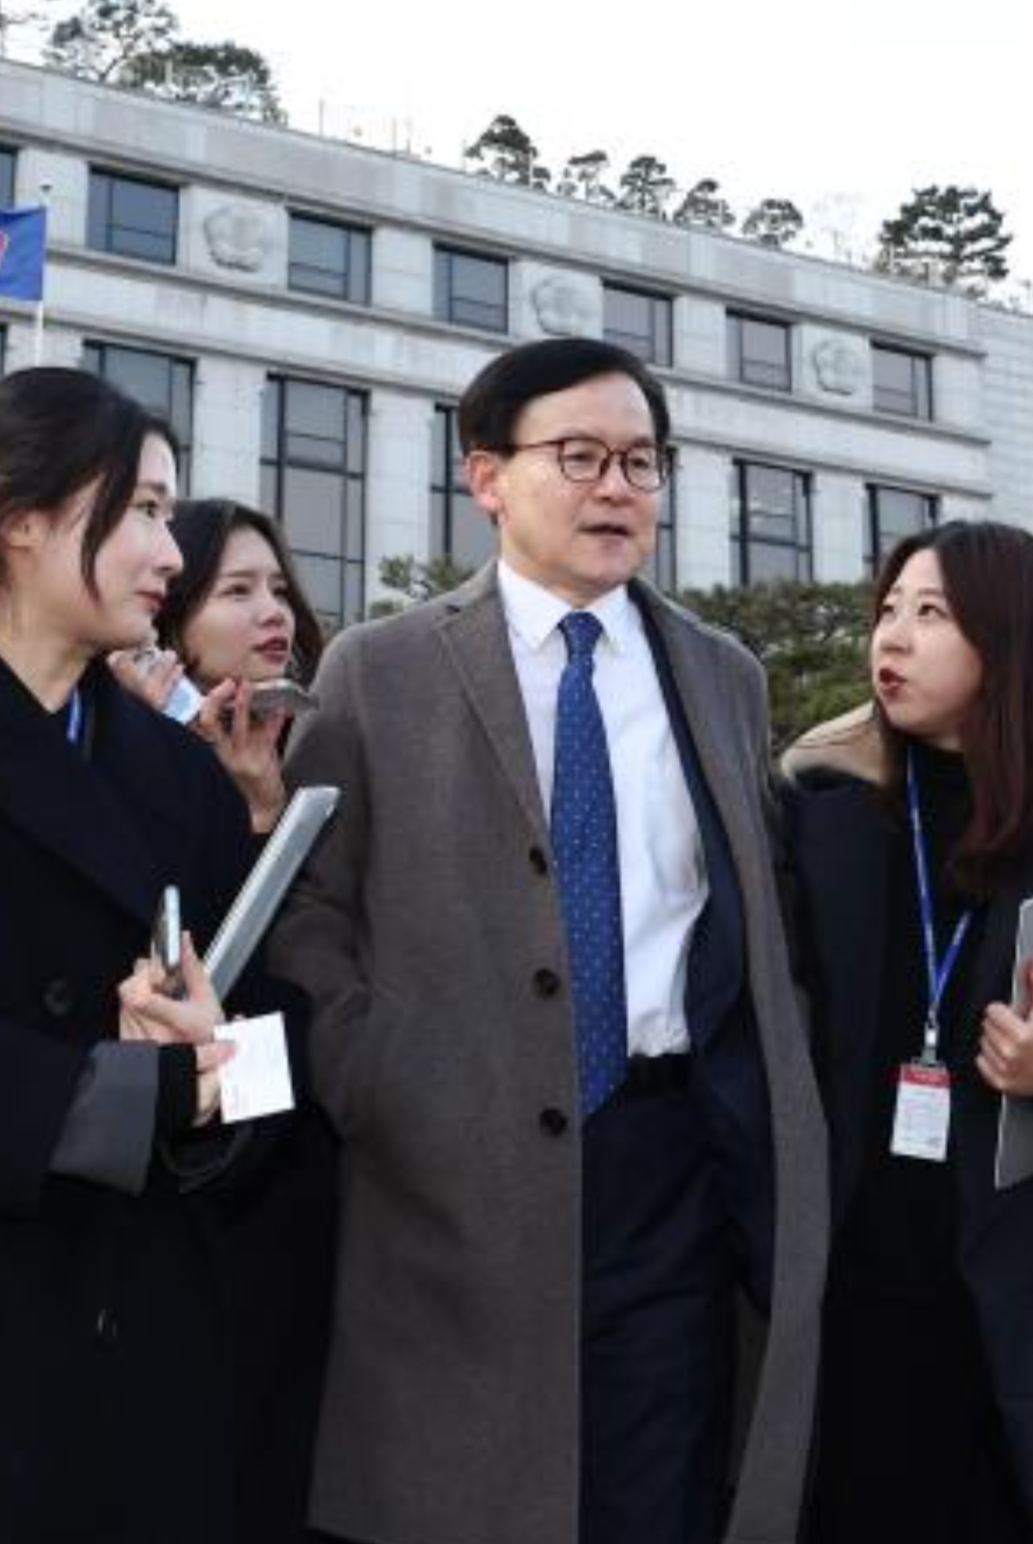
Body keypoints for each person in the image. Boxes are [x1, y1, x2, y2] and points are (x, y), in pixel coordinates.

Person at [268, 336, 828, 1544]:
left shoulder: (720, 676)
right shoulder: (380, 670)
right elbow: (307, 906)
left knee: (653, 1496)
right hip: (445, 1166)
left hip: (668, 1157)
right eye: (579, 456)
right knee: (457, 1494)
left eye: (641, 461)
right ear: (486, 475)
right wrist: (373, 1066)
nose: (617, 487)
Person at [0, 366, 262, 1542]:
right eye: (144, 508)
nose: (170, 551)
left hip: (142, 1339)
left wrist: (218, 1070)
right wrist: (109, 1091)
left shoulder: (178, 775)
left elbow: (273, 1024)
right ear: (23, 517)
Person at [782, 520, 1033, 1542]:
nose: (891, 636)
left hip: (1004, 1300)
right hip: (847, 1293)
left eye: (931, 614)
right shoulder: (822, 811)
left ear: (1005, 638)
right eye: (886, 610)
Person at [110, 497, 323, 832]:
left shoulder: (313, 744)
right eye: (238, 590)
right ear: (167, 610)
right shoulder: (98, 736)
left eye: (280, 592)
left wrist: (262, 809)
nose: (275, 613)